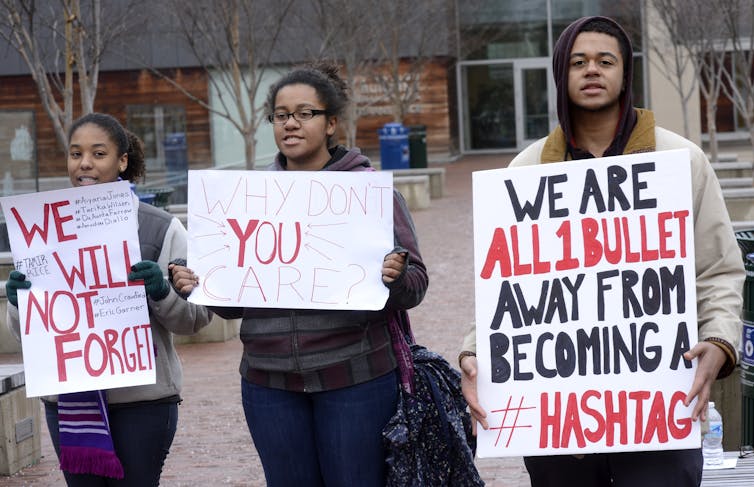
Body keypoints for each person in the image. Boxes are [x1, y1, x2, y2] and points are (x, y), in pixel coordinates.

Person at [458, 15, 744, 487]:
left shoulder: (679, 161)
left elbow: (718, 270)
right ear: (560, 76)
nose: (592, 70)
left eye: (605, 61)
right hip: (558, 420)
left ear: (624, 75)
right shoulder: (525, 169)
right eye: (578, 62)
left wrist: (717, 343)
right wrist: (474, 352)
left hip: (658, 410)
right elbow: (505, 286)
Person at [174, 62, 428, 486]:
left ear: (331, 123)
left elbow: (416, 284)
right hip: (268, 383)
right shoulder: (247, 199)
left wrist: (395, 276)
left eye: (304, 113)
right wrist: (199, 287)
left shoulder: (368, 193)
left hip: (355, 380)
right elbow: (234, 306)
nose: (290, 123)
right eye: (280, 114)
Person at [5, 112, 213, 486]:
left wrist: (161, 292)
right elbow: (32, 334)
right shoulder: (39, 230)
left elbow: (195, 319)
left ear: (122, 161)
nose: (84, 163)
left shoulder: (161, 228)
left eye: (98, 154)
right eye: (75, 153)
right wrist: (18, 304)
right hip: (68, 404)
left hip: (143, 404)